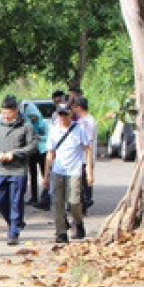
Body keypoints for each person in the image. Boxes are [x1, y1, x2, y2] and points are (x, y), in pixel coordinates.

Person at [0, 96, 38, 246]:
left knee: (16, 201)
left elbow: (33, 145)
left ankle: (14, 232)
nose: (6, 116)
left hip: (18, 170)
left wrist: (15, 154)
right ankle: (14, 222)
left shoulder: (26, 126)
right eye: (3, 113)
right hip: (1, 169)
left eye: (9, 113)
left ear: (16, 111)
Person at [43, 103, 95, 243]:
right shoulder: (54, 130)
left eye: (65, 114)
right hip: (58, 170)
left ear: (70, 114)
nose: (63, 117)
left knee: (74, 202)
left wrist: (90, 171)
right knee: (57, 202)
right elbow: (50, 153)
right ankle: (60, 232)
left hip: (75, 171)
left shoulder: (80, 129)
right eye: (60, 114)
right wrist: (46, 174)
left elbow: (88, 150)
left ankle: (78, 223)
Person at [72, 96, 97, 210]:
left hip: (84, 156)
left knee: (84, 182)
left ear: (79, 108)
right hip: (79, 156)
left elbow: (88, 141)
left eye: (75, 107)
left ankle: (85, 202)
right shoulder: (81, 121)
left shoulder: (88, 122)